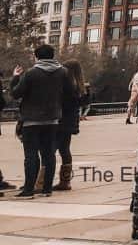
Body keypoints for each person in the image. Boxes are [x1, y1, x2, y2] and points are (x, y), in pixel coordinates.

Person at [10, 44, 71, 198]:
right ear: (52, 56)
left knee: (31, 155)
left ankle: (29, 190)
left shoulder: (31, 73)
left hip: (31, 120)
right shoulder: (63, 72)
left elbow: (16, 93)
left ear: (36, 56)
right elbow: (69, 93)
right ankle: (47, 189)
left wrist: (15, 77)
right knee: (49, 154)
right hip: (52, 119)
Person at [50, 59, 84, 192]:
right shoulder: (80, 86)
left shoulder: (66, 86)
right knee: (65, 150)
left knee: (50, 150)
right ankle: (65, 180)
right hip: (70, 123)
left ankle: (43, 180)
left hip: (60, 121)